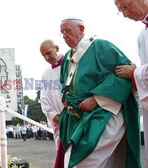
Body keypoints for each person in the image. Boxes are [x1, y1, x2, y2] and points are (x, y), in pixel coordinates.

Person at [55, 17, 141, 168]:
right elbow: (65, 84)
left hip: (102, 114)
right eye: (62, 33)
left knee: (84, 162)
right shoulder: (68, 57)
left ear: (81, 29)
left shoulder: (100, 47)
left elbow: (125, 74)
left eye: (67, 31)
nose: (64, 36)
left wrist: (96, 99)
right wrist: (66, 98)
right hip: (75, 117)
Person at [115, 0, 148, 162]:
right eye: (120, 10)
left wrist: (135, 73)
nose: (125, 14)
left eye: (126, 6)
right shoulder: (142, 35)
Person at [39, 39, 64, 150]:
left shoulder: (72, 64)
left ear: (57, 48)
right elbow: (44, 101)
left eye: (48, 53)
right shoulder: (46, 74)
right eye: (43, 55)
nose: (47, 58)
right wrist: (56, 117)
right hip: (59, 122)